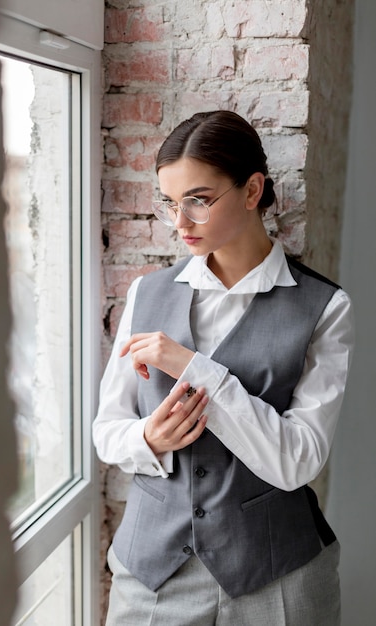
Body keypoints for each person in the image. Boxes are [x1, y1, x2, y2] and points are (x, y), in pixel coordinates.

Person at [93, 110, 354, 625]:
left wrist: (194, 368)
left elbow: (297, 463)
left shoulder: (326, 307)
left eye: (199, 201)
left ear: (252, 190)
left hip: (278, 576)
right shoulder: (148, 292)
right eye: (170, 203)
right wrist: (150, 437)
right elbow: (107, 433)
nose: (179, 223)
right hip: (153, 573)